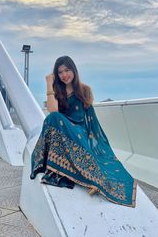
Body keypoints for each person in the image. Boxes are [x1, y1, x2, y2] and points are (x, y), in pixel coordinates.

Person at [30, 56, 137, 207]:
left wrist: (90, 139)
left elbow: (88, 116)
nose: (64, 75)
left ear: (74, 70)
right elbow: (53, 110)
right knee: (52, 119)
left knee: (55, 120)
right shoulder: (56, 90)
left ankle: (91, 179)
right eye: (60, 72)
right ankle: (58, 168)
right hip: (63, 129)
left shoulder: (85, 89)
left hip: (80, 130)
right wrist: (49, 84)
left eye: (67, 70)